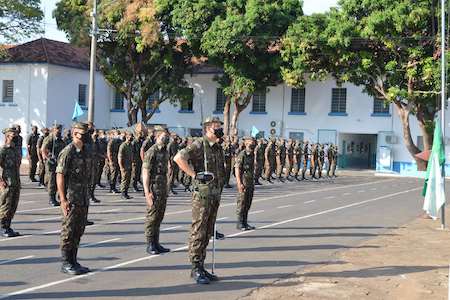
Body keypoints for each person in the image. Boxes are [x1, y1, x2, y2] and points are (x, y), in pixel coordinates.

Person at [174, 116, 225, 284]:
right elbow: (179, 158)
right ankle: (195, 268)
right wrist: (194, 175)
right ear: (208, 128)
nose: (219, 128)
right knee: (199, 231)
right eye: (216, 126)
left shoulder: (217, 147)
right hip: (202, 196)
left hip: (214, 195)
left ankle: (201, 266)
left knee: (208, 231)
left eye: (219, 126)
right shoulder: (199, 144)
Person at [57, 122, 91, 275]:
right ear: (74, 133)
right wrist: (63, 200)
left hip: (83, 197)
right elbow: (60, 175)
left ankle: (74, 260)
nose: (85, 136)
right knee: (69, 230)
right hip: (71, 197)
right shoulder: (68, 151)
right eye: (82, 133)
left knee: (79, 229)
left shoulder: (84, 151)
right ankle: (66, 262)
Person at [142, 126, 171, 254]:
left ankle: (156, 242)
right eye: (163, 137)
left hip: (162, 188)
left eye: (167, 136)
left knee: (159, 216)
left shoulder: (165, 151)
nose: (166, 139)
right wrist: (147, 192)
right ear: (157, 137)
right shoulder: (151, 152)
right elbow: (146, 173)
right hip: (153, 187)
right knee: (152, 217)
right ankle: (150, 244)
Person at [0, 127, 21, 237]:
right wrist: (0, 181)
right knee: (5, 206)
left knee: (13, 206)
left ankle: (8, 226)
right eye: (13, 135)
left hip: (16, 182)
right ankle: (2, 227)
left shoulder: (16, 150)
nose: (15, 137)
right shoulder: (3, 149)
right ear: (7, 136)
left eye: (16, 135)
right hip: (7, 182)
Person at [235, 136, 256, 231]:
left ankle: (245, 222)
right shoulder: (242, 154)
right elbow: (237, 169)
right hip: (243, 182)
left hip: (250, 182)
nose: (253, 143)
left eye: (253, 141)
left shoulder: (251, 154)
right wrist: (239, 183)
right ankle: (239, 223)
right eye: (251, 141)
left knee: (248, 203)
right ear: (246, 142)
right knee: (242, 203)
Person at [42, 124, 66, 206]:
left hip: (59, 162)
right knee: (52, 181)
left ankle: (58, 196)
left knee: (58, 180)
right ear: (53, 129)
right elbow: (43, 149)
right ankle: (51, 199)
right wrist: (48, 158)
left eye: (60, 129)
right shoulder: (50, 138)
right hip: (52, 163)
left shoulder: (60, 140)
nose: (59, 131)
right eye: (57, 129)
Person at [118, 131, 134, 199]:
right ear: (127, 137)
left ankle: (126, 193)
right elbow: (120, 157)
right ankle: (123, 193)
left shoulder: (130, 145)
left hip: (129, 165)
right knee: (124, 179)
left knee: (128, 180)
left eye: (132, 136)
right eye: (130, 136)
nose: (132, 138)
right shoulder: (123, 145)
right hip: (124, 165)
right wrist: (121, 167)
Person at [107, 129, 121, 194]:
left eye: (119, 134)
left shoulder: (119, 141)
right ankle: (111, 187)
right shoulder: (111, 141)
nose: (118, 135)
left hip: (117, 159)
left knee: (115, 174)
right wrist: (110, 161)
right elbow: (109, 151)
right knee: (113, 173)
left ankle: (114, 187)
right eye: (117, 134)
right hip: (113, 160)